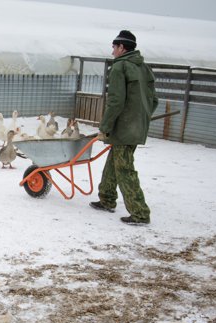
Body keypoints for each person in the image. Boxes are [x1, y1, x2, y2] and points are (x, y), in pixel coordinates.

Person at [90, 30, 158, 225]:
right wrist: (141, 117)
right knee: (115, 161)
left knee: (125, 169)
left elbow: (116, 102)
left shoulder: (120, 67)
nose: (112, 52)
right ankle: (107, 198)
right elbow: (154, 100)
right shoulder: (144, 67)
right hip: (136, 127)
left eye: (114, 47)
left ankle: (140, 213)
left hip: (124, 129)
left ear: (122, 47)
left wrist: (105, 126)